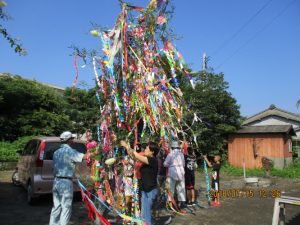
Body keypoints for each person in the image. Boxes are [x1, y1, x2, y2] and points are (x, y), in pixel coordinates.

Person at [49, 131, 98, 225]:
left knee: (56, 207)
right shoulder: (69, 151)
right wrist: (95, 152)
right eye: (72, 138)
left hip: (56, 181)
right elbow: (85, 157)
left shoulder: (56, 152)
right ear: (70, 140)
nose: (73, 140)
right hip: (65, 182)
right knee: (66, 208)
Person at [120, 140, 159, 225]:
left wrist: (127, 146)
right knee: (144, 215)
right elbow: (134, 157)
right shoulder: (145, 160)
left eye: (147, 148)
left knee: (146, 215)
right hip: (145, 190)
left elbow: (136, 155)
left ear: (152, 151)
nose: (145, 149)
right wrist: (127, 149)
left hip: (150, 191)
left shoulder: (152, 160)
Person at [163, 141, 186, 209]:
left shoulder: (170, 154)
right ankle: (182, 203)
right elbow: (184, 164)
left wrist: (169, 165)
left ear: (172, 147)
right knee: (181, 188)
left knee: (171, 189)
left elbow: (165, 164)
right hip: (181, 172)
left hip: (172, 172)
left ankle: (170, 204)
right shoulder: (181, 154)